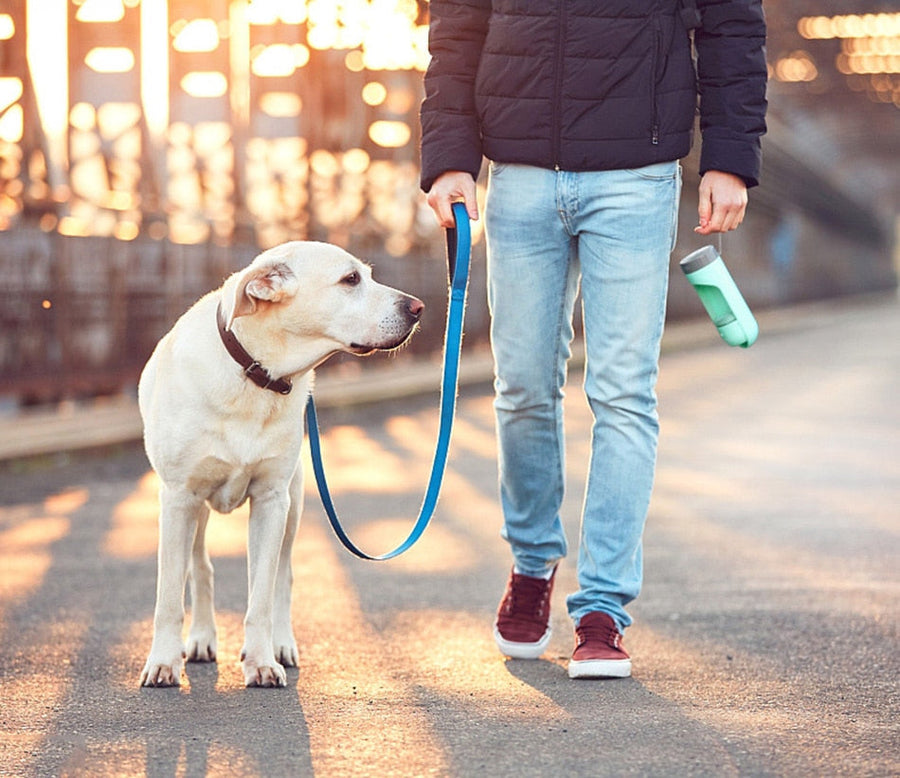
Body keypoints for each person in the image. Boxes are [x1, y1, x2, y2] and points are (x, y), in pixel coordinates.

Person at [419, 0, 767, 679]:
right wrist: (448, 158)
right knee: (520, 387)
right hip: (517, 174)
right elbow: (457, 27)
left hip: (637, 175)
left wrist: (730, 156)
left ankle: (603, 608)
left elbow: (733, 25)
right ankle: (530, 565)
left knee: (623, 392)